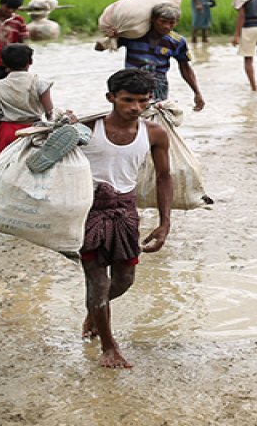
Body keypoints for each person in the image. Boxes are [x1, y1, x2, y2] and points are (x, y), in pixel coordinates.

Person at [78, 68, 173, 369]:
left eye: (143, 101)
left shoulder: (154, 133)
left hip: (125, 211)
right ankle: (109, 345)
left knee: (124, 279)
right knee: (97, 281)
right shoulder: (87, 128)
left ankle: (95, 312)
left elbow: (164, 176)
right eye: (127, 100)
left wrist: (165, 222)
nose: (135, 107)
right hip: (88, 211)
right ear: (111, 98)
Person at [98, 3, 206, 111]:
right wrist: (110, 37)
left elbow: (185, 67)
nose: (167, 26)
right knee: (129, 112)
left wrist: (197, 92)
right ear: (153, 19)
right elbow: (99, 48)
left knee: (155, 114)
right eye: (163, 22)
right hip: (131, 81)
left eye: (172, 23)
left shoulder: (177, 41)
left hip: (158, 84)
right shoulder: (134, 34)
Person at [0, 43, 53, 153]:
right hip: (35, 130)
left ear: (3, 63)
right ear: (30, 62)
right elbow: (50, 114)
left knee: (6, 166)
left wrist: (4, 124)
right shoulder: (40, 83)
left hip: (8, 132)